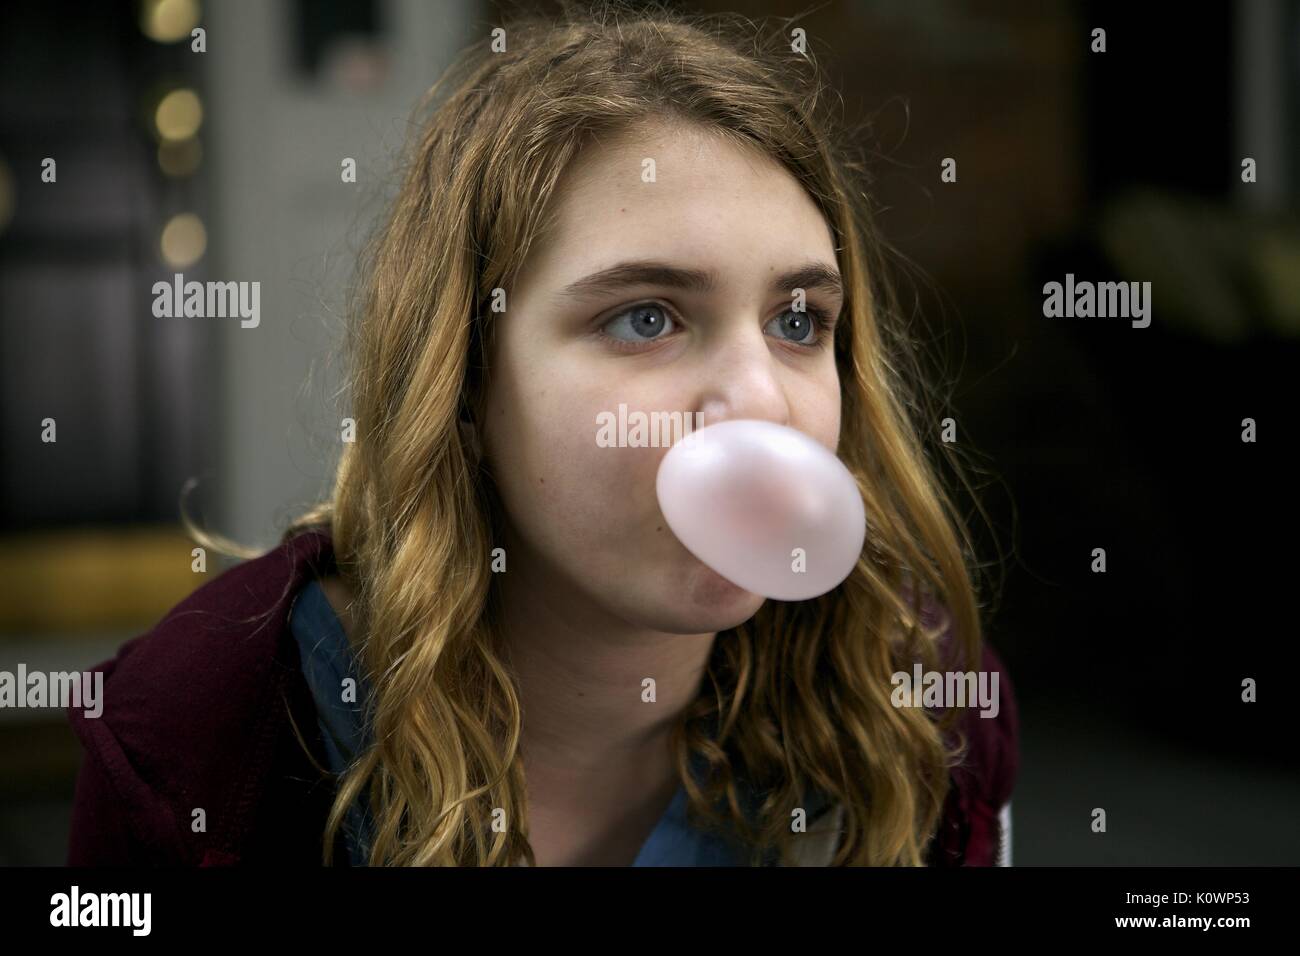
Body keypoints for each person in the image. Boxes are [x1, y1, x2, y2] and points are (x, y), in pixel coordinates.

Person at [66, 1, 1019, 867]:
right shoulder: (206, 727)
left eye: (800, 320)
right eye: (646, 317)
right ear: (467, 382)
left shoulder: (919, 700)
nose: (765, 403)